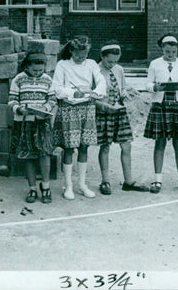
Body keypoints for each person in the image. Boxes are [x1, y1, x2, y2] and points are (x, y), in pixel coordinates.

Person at [51, 35, 107, 200]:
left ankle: (82, 184)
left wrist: (96, 92)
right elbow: (57, 88)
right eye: (78, 54)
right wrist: (72, 92)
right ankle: (68, 186)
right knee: (69, 148)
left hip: (87, 107)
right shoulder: (63, 65)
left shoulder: (91, 64)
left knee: (84, 146)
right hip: (69, 108)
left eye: (85, 54)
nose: (82, 57)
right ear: (71, 50)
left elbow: (101, 81)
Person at [144, 33, 178, 195]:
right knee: (160, 143)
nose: (171, 55)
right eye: (167, 52)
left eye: (173, 52)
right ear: (162, 49)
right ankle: (157, 180)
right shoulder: (155, 64)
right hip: (161, 104)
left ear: (177, 50)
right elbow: (148, 84)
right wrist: (155, 88)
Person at [95, 40, 149, 194]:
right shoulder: (95, 71)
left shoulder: (118, 69)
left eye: (115, 61)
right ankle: (105, 181)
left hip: (119, 111)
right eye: (109, 61)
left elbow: (123, 86)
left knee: (126, 145)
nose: (112, 64)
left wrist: (124, 93)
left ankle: (129, 181)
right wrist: (105, 105)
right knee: (105, 146)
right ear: (102, 56)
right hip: (104, 112)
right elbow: (93, 95)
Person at [9, 50, 57, 204]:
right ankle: (32, 188)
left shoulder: (48, 80)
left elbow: (52, 99)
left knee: (44, 154)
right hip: (24, 122)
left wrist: (46, 109)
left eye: (41, 70)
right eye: (34, 70)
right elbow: (12, 100)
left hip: (41, 122)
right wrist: (19, 109)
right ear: (27, 66)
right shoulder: (18, 79)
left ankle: (46, 187)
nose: (38, 73)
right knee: (28, 155)